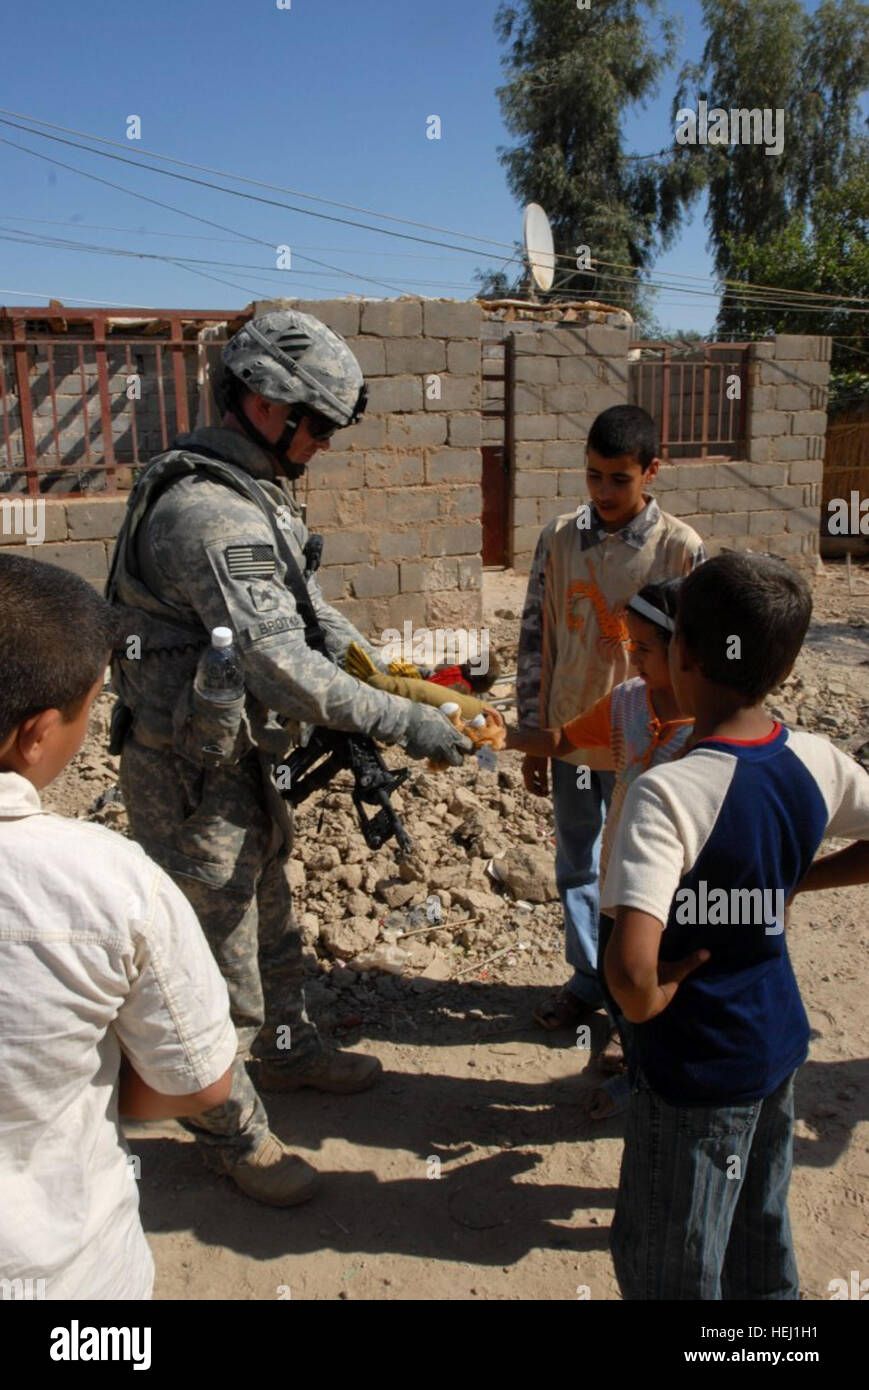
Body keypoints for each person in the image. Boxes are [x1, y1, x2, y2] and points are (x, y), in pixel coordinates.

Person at [105, 308, 471, 1206]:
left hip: (233, 757)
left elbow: (307, 617)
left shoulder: (256, 487)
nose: (326, 447)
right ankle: (234, 1137)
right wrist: (408, 723)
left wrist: (389, 675)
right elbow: (280, 664)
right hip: (187, 773)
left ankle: (292, 1050)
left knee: (269, 911)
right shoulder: (207, 513)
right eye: (320, 427)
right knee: (212, 956)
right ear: (267, 404)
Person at [601, 553, 869, 1300]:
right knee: (758, 1236)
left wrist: (647, 1000)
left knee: (671, 1260)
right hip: (775, 1044)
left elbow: (628, 973)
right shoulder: (815, 761)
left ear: (682, 653)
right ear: (780, 671)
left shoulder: (668, 793)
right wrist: (797, 880)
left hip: (694, 1068)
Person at [0, 553, 236, 1299]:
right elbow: (201, 1085)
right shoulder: (108, 883)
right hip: (66, 1279)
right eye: (89, 708)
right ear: (35, 734)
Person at [516, 404, 705, 1033]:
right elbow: (536, 637)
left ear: (652, 471)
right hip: (572, 737)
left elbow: (698, 657)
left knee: (643, 874)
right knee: (577, 863)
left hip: (650, 749)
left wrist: (699, 745)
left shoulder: (680, 549)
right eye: (593, 476)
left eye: (619, 479)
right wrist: (533, 736)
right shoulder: (560, 538)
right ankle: (588, 980)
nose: (603, 492)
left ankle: (639, 1004)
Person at [508, 579, 693, 1114]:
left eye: (645, 649)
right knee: (621, 987)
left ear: (684, 650)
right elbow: (565, 739)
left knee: (665, 993)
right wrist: (509, 737)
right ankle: (637, 1073)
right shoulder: (628, 703)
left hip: (677, 895)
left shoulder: (709, 728)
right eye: (630, 646)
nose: (632, 659)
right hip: (619, 883)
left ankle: (659, 1088)